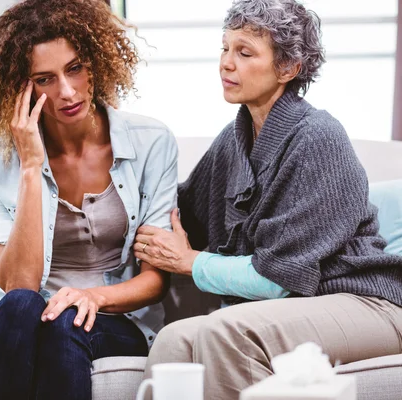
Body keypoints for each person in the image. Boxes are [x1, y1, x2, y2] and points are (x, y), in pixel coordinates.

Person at [134, 0, 402, 399]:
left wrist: (190, 261)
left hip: (365, 302)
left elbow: (280, 280)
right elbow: (181, 211)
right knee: (173, 343)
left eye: (244, 52)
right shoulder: (234, 138)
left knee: (224, 333)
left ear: (288, 69)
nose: (226, 63)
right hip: (300, 306)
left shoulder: (318, 138)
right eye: (224, 49)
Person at [0, 0, 177, 399]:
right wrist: (30, 167)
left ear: (95, 62)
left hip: (117, 316)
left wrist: (90, 297)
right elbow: (17, 286)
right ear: (20, 88)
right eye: (44, 79)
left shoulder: (152, 143)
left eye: (75, 68)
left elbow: (155, 280)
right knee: (21, 307)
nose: (66, 91)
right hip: (29, 315)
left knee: (66, 321)